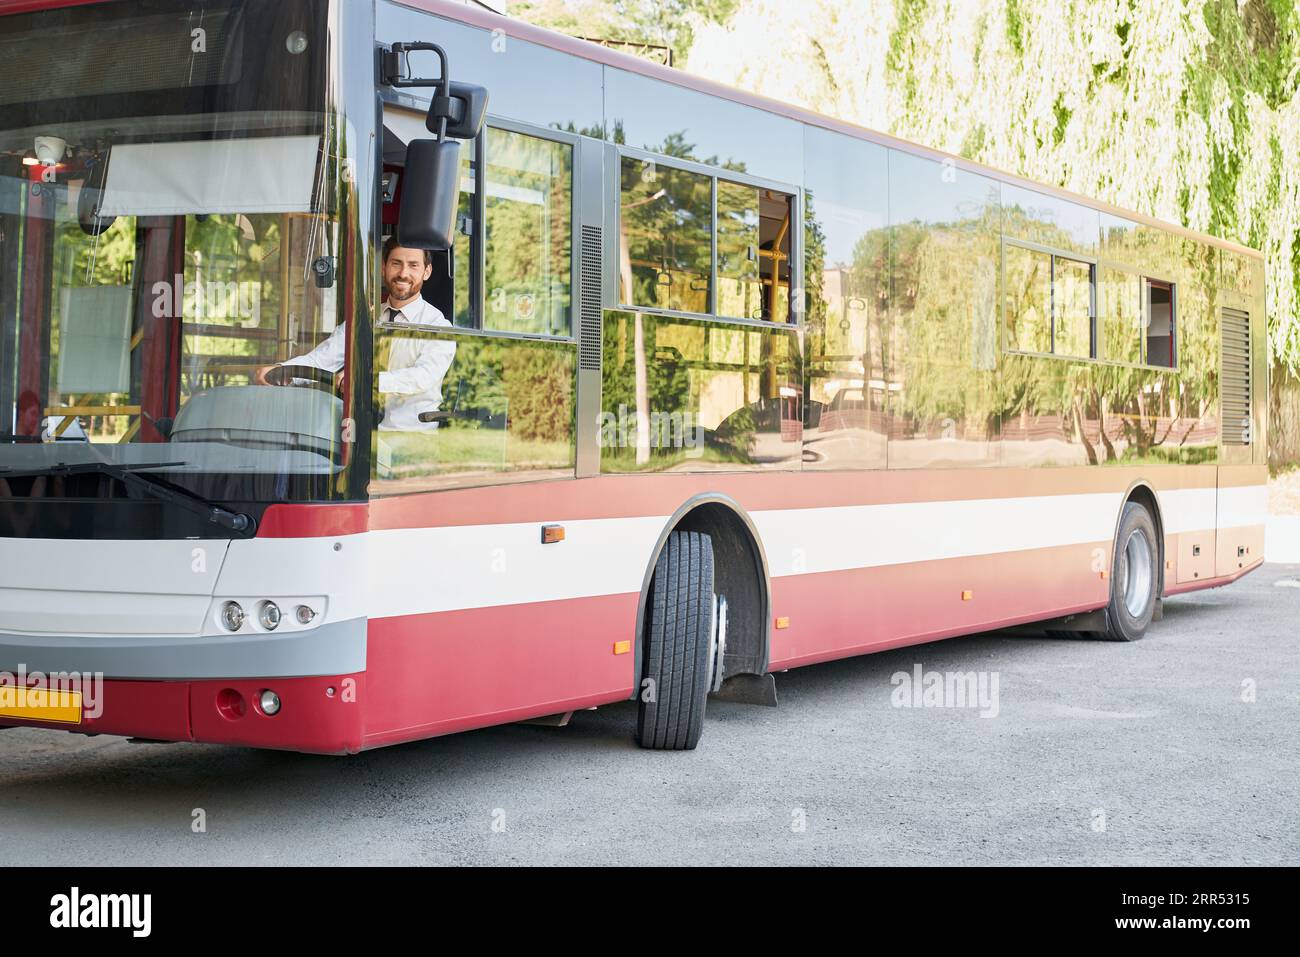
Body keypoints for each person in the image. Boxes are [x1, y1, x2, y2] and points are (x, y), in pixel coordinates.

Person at [254, 237, 456, 431]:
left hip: (409, 440)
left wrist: (364, 380)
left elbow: (421, 377)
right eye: (396, 263)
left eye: (413, 265)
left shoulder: (437, 326)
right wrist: (282, 369)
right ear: (383, 267)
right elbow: (323, 358)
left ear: (426, 271)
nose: (403, 273)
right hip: (356, 437)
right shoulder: (364, 318)